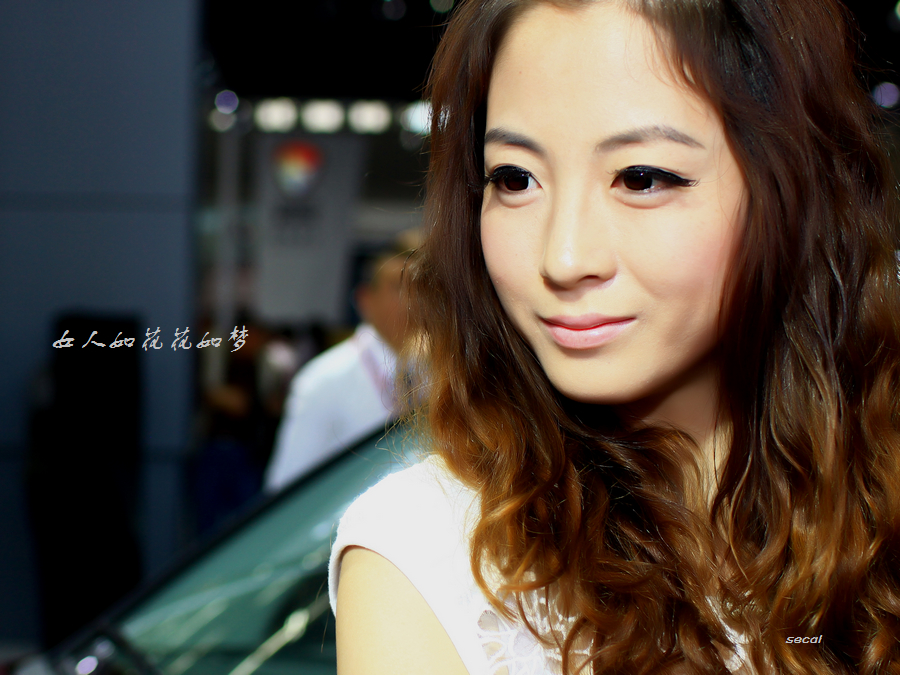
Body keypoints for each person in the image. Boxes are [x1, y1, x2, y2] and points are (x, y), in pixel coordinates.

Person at [329, 0, 900, 674]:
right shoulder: (424, 554)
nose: (564, 257)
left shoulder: (876, 497)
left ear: (794, 189)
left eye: (641, 178)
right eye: (515, 179)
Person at [263, 242, 413, 492]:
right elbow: (288, 485)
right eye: (399, 288)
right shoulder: (324, 379)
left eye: (424, 288)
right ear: (365, 299)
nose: (415, 300)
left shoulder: (439, 373)